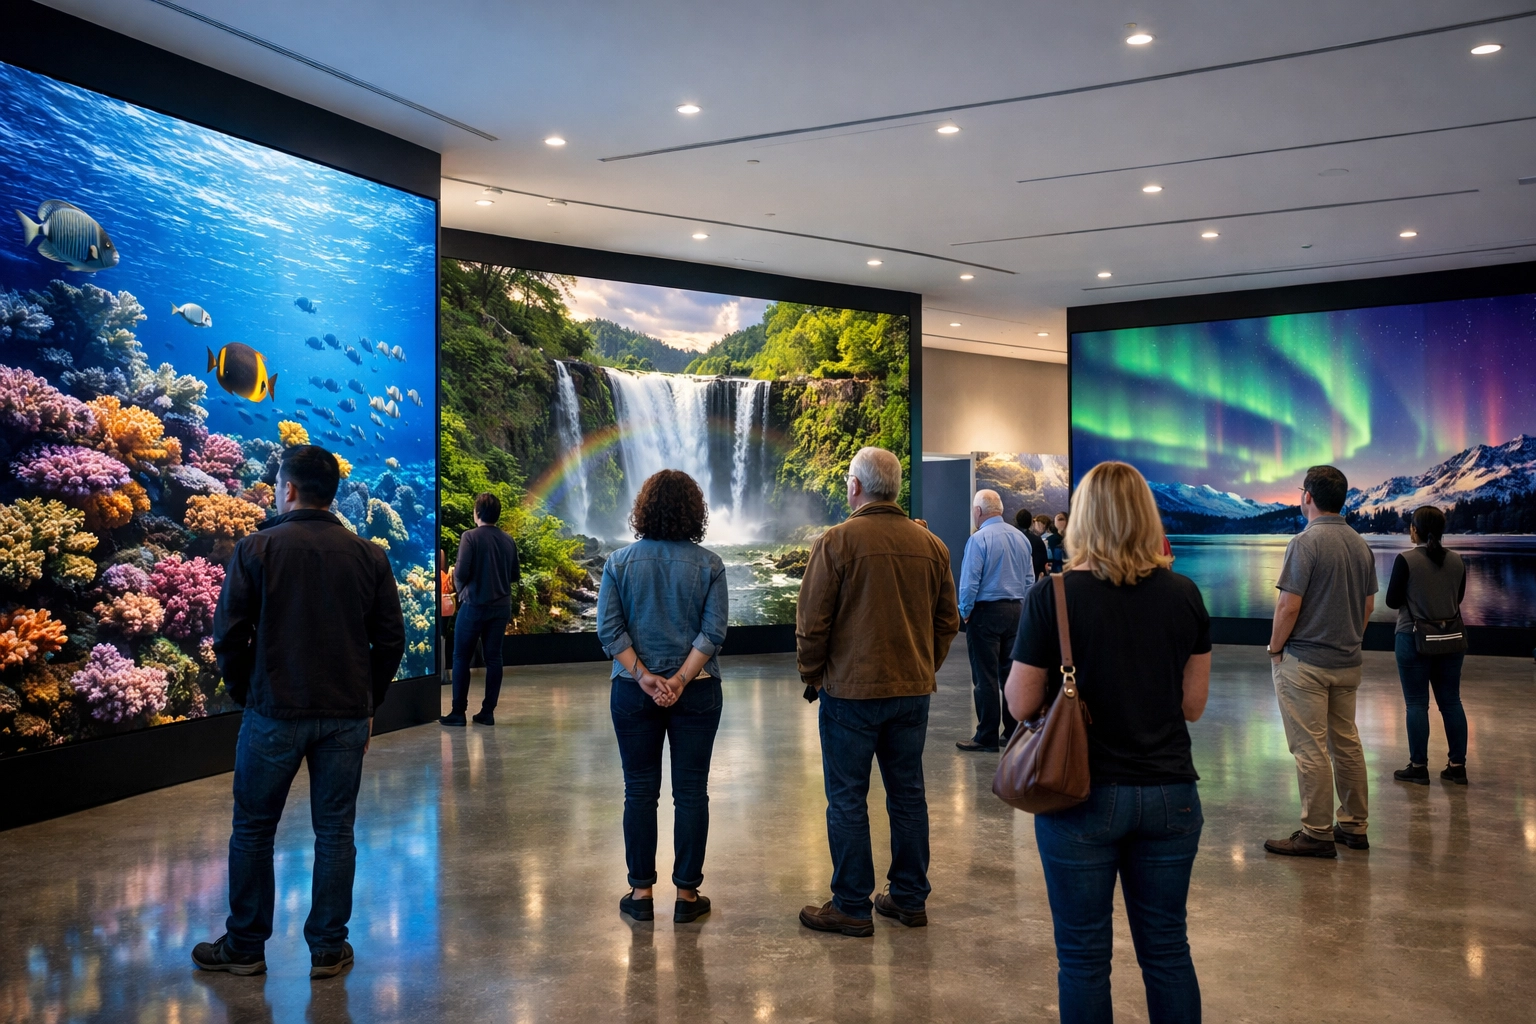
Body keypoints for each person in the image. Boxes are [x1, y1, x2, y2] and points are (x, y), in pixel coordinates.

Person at [1005, 461, 1210, 1024]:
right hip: (1171, 795)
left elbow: (1021, 705)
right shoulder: (1185, 594)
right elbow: (1193, 706)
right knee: (1168, 953)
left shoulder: (1055, 597)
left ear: (1083, 521)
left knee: (1083, 961)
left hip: (1081, 796)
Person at [195, 445, 405, 979]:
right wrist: (368, 700)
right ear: (331, 492)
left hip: (273, 711)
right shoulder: (370, 556)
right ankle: (328, 948)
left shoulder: (256, 549)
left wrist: (250, 693)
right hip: (344, 715)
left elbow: (228, 636)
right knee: (336, 830)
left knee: (253, 829)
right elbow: (391, 640)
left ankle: (245, 946)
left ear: (288, 489)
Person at [796, 447, 960, 937]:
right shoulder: (932, 546)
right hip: (912, 692)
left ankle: (850, 904)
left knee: (847, 798)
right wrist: (923, 664)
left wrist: (813, 674)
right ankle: (909, 899)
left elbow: (811, 624)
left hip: (850, 693)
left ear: (855, 487)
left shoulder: (837, 542)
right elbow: (948, 621)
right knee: (908, 795)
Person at [597, 470, 728, 925]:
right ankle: (688, 897)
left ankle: (641, 892)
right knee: (691, 792)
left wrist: (645, 677)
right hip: (698, 692)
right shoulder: (710, 565)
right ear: (695, 512)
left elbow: (608, 630)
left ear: (643, 510)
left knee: (639, 790)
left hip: (632, 693)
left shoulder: (617, 563)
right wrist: (680, 680)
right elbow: (714, 632)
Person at [1264, 465, 1378, 857]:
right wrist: (1348, 639)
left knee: (1309, 749)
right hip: (1348, 662)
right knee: (1345, 743)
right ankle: (1354, 825)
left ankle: (1316, 833)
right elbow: (1367, 606)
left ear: (1307, 496)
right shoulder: (1360, 544)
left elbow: (1288, 606)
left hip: (1306, 664)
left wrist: (1275, 648)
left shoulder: (1304, 542)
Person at [1384, 506, 1469, 785]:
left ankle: (1418, 767)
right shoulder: (1457, 561)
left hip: (1413, 638)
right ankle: (1457, 767)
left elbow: (1392, 601)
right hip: (1451, 641)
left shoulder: (1405, 560)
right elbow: (1457, 599)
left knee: (1417, 704)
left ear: (1414, 530)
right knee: (1451, 702)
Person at [957, 489, 1035, 752]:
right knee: (1011, 675)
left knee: (985, 676)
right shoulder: (1021, 538)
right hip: (1017, 611)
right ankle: (1012, 732)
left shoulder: (978, 540)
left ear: (978, 511)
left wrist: (965, 611)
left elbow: (969, 582)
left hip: (986, 613)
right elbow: (1029, 580)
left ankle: (986, 736)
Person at [441, 492, 521, 727]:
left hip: (474, 605)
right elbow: (514, 575)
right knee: (494, 658)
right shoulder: (508, 540)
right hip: (501, 607)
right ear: (497, 514)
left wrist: (462, 589)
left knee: (461, 657)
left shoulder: (470, 537)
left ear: (477, 513)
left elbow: (461, 572)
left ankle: (458, 712)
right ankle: (487, 712)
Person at [1015, 507, 1049, 579]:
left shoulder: (1010, 538)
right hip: (1033, 578)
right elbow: (1042, 562)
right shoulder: (1037, 540)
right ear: (1030, 523)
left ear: (1016, 521)